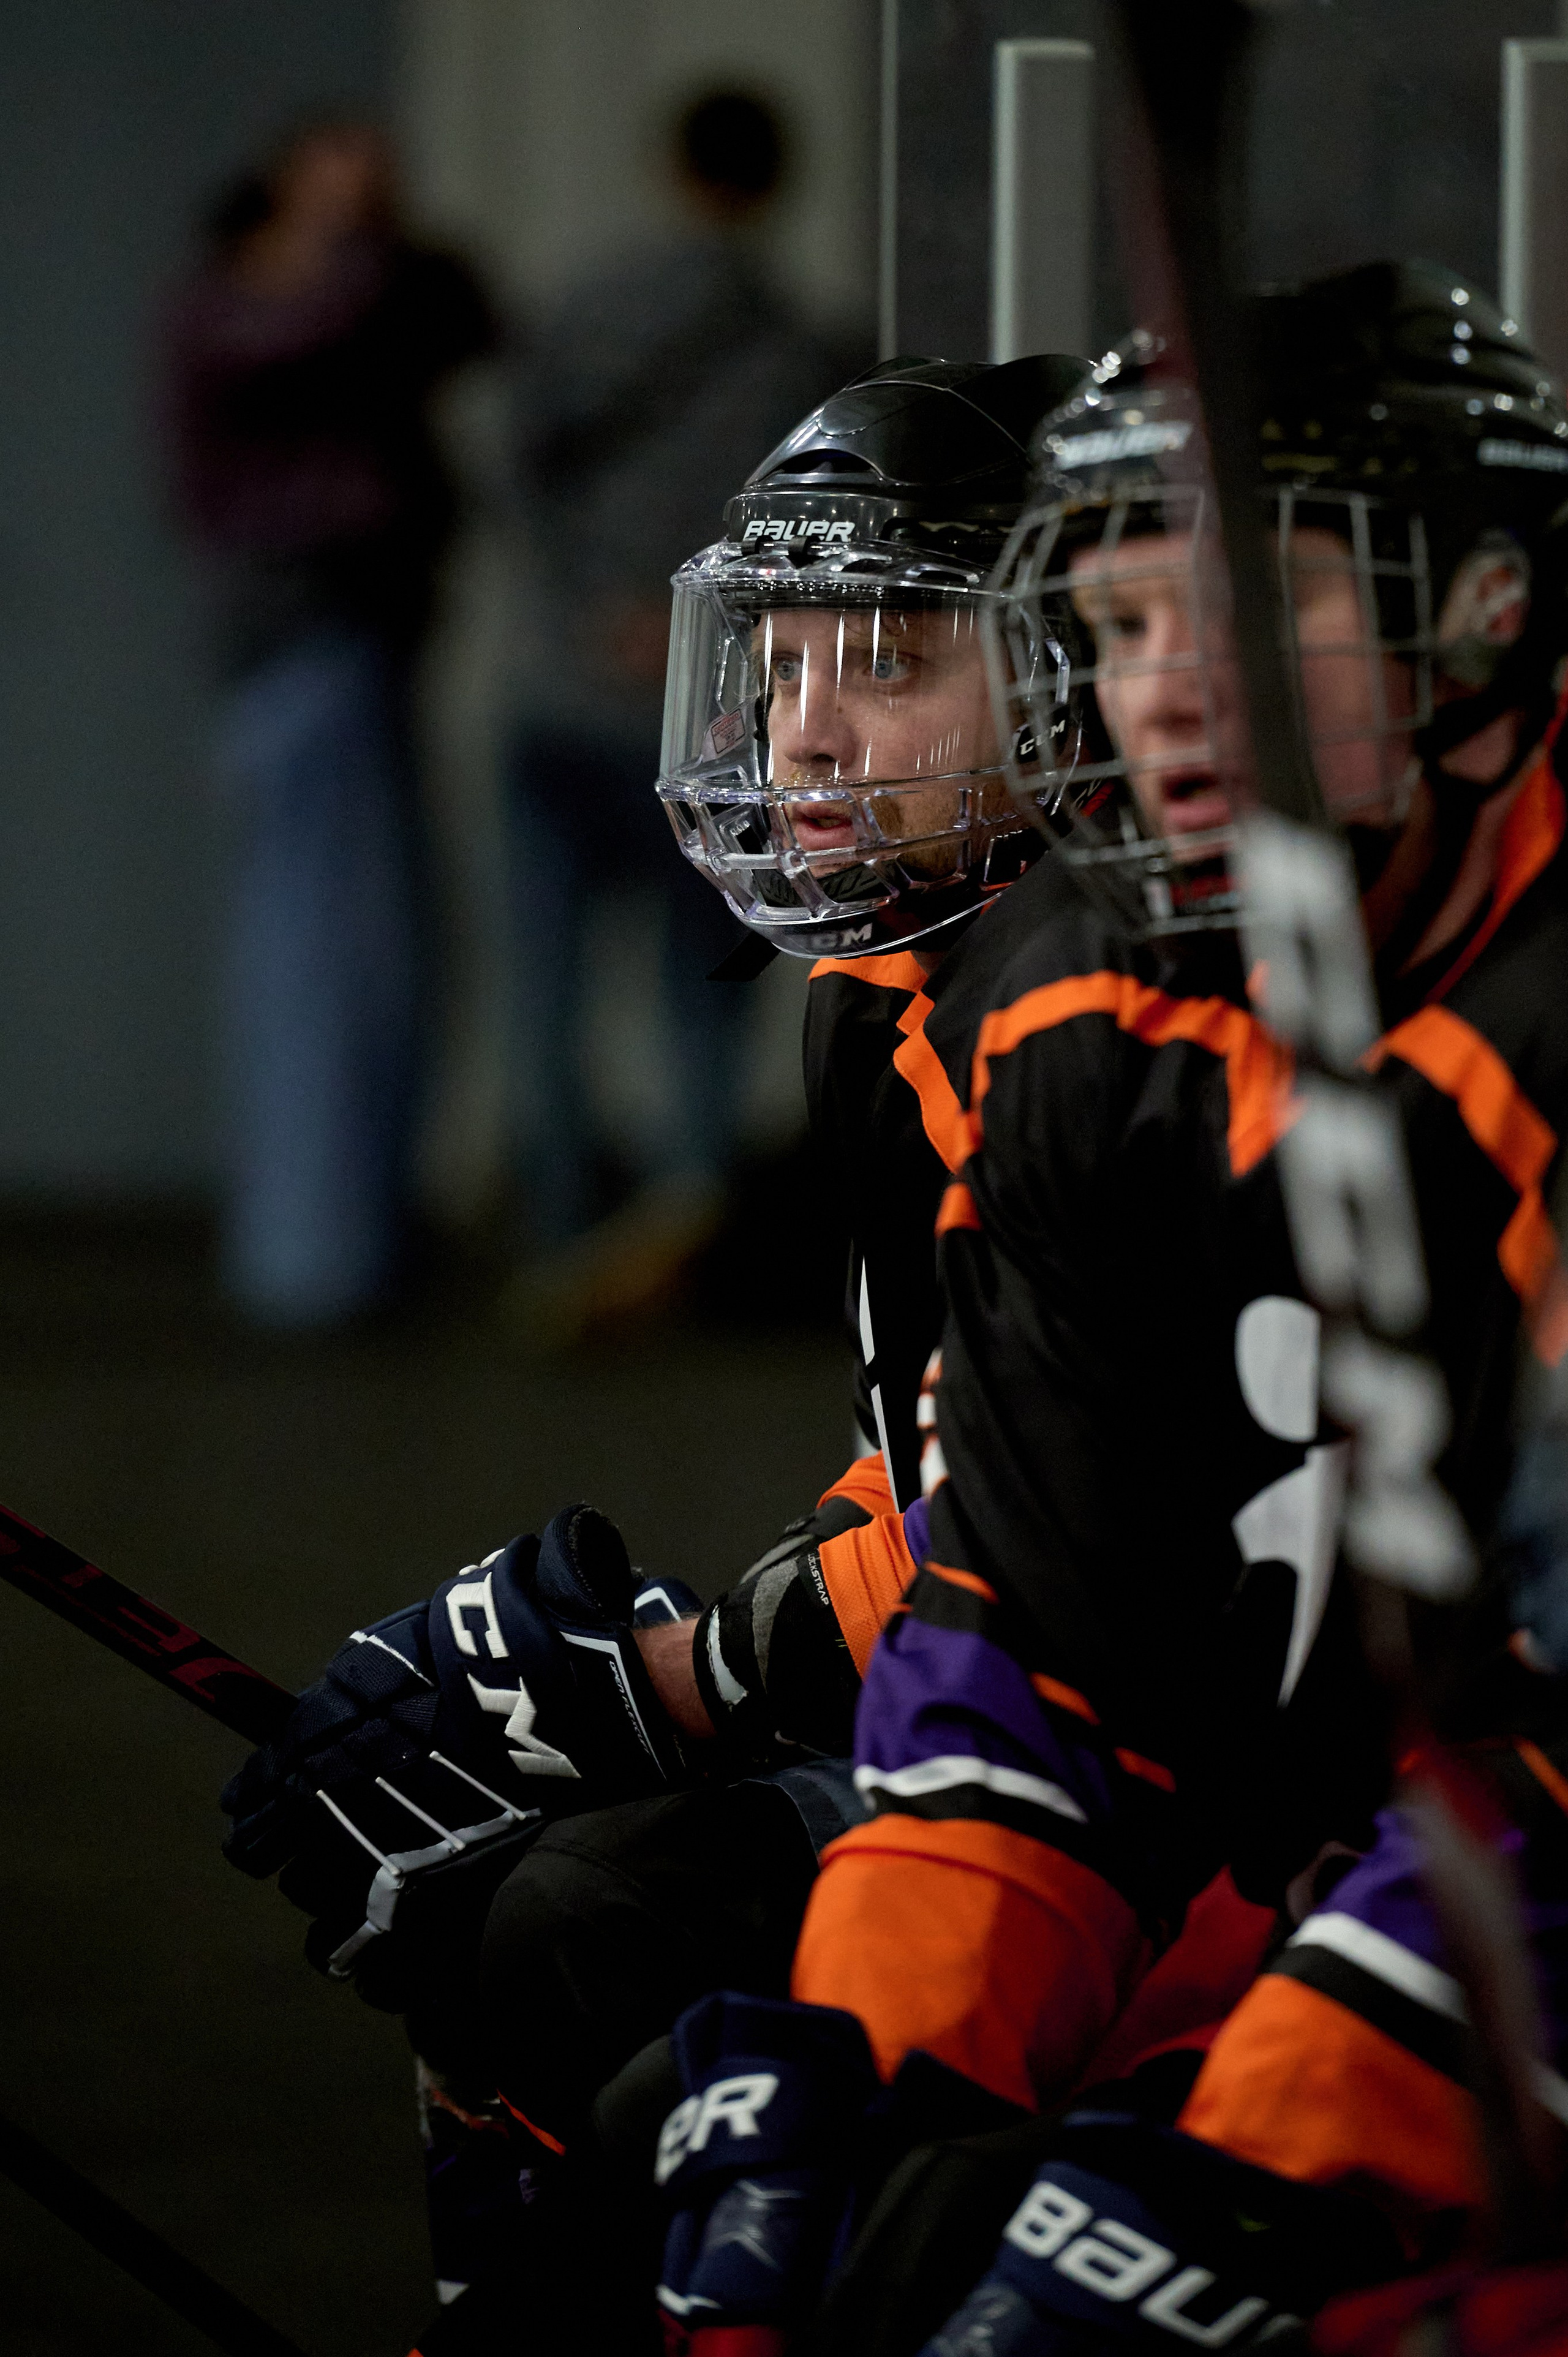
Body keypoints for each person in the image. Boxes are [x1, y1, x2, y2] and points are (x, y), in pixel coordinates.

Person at [649, 262, 1568, 2352]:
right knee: (848, 2224)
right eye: (1128, 617)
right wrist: (872, 2069)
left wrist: (1253, 2156)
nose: (1171, 688)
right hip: (1363, 1871)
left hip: (1473, 1956)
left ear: (1489, 619)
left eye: (1254, 612)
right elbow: (1045, 1650)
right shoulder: (1076, 1005)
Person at [503, 87, 859, 1338]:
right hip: (701, 713)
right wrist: (679, 626)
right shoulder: (799, 344)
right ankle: (689, 1234)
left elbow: (522, 470)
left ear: (670, 165)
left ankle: (554, 1225)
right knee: (700, 981)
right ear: (776, 183)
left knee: (546, 981)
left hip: (558, 690)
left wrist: (591, 604)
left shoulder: (587, 307)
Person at [165, 120, 494, 1324]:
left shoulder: (363, 301)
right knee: (319, 968)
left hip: (365, 655)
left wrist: (372, 243)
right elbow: (318, 334)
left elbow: (468, 313)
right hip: (304, 661)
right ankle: (313, 1261)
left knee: (383, 964)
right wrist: (347, 246)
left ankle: (351, 1245)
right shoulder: (236, 313)